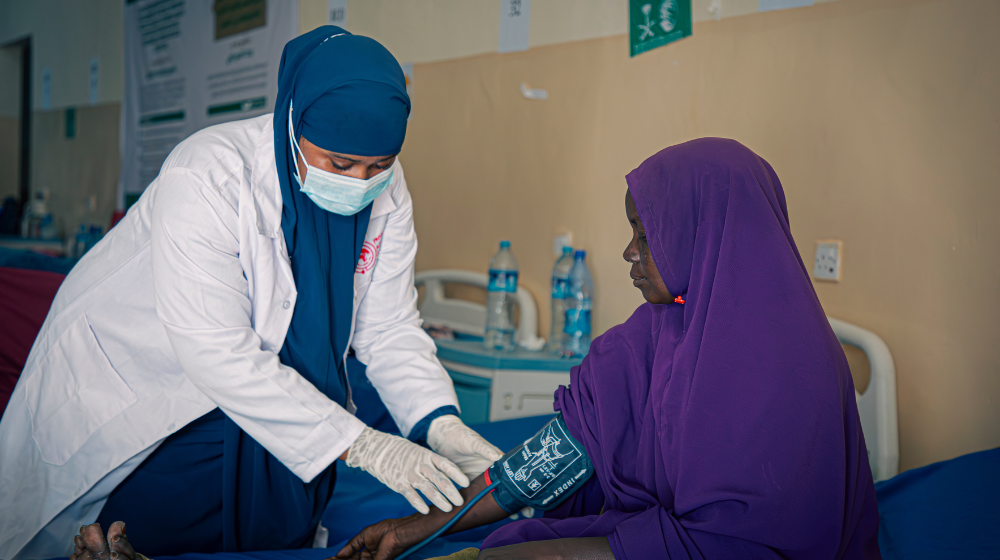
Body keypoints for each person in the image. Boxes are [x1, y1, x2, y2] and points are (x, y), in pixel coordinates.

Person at [0, 26, 502, 560]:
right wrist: (362, 444)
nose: (360, 182)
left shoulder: (386, 189)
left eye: (377, 167)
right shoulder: (208, 175)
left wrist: (438, 421)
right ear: (295, 118)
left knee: (272, 525)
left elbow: (388, 326)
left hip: (265, 407)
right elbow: (216, 351)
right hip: (156, 391)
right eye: (339, 164)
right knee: (146, 529)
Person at [325, 138, 880, 559]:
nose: (628, 253)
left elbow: (754, 539)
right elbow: (552, 460)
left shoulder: (795, 373)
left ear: (705, 233)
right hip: (663, 537)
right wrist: (412, 529)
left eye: (645, 235)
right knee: (510, 547)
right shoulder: (645, 339)